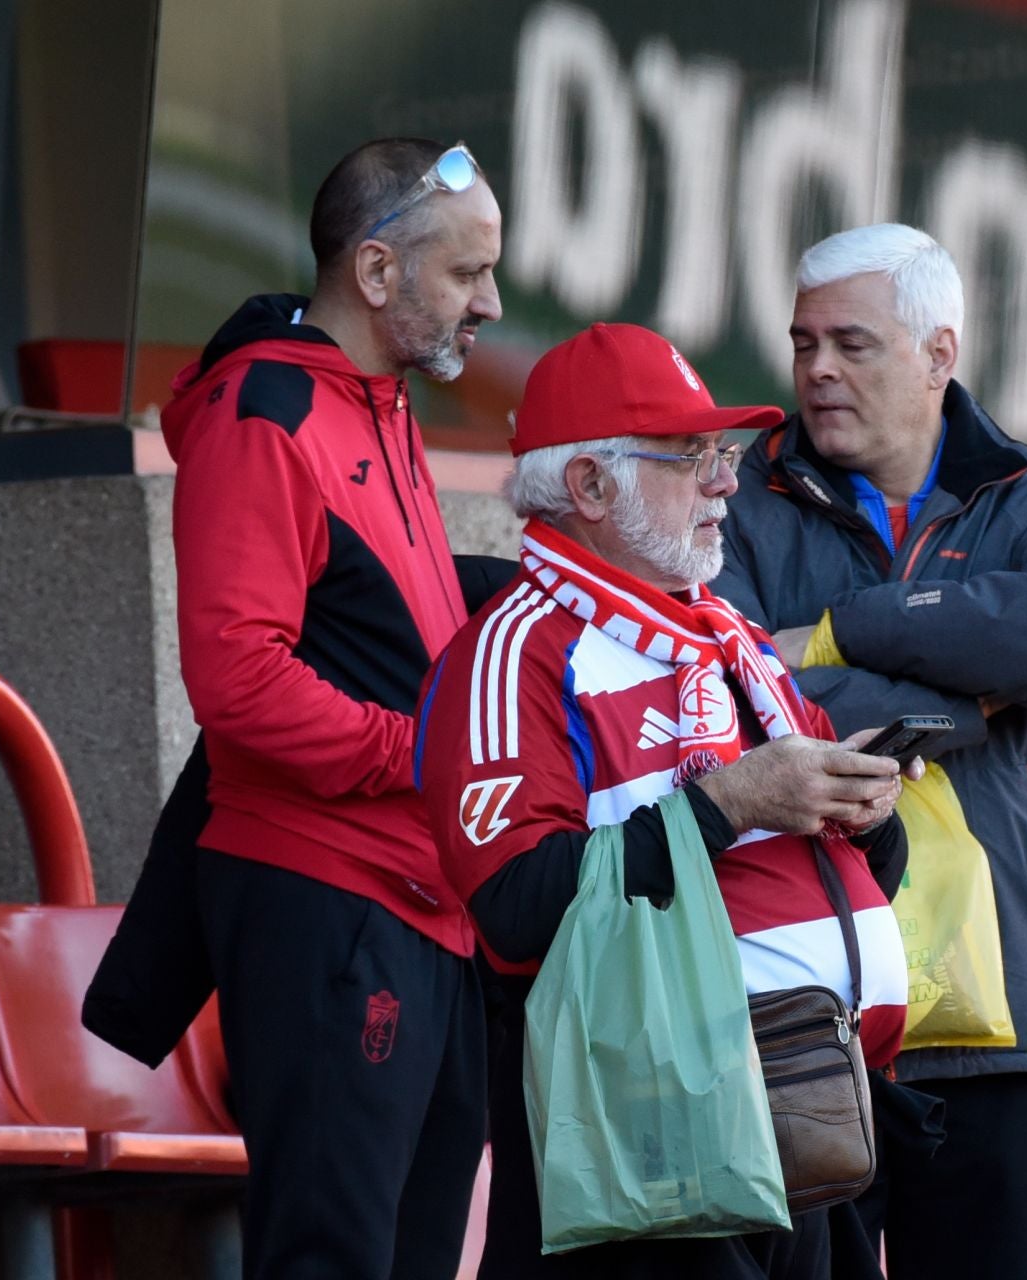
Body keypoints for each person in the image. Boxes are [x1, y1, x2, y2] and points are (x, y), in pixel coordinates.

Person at [416, 322, 915, 1280]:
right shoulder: (511, 653)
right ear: (591, 487)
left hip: (808, 1125)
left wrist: (865, 813)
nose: (726, 483)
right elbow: (517, 912)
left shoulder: (732, 642)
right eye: (690, 459)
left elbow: (842, 880)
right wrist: (725, 801)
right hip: (644, 1147)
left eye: (722, 456)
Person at [711, 223, 1027, 1278]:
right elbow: (730, 691)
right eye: (804, 341)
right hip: (803, 1010)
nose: (816, 368)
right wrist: (974, 684)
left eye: (852, 343)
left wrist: (841, 632)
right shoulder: (734, 495)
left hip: (1001, 1031)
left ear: (938, 353)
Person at [160, 137, 501, 1279]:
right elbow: (237, 680)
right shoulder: (266, 411)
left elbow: (389, 618)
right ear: (375, 272)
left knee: (410, 1249)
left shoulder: (381, 403)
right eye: (467, 274)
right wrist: (428, 756)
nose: (491, 302)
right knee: (334, 1252)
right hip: (326, 894)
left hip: (423, 897)